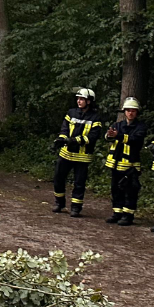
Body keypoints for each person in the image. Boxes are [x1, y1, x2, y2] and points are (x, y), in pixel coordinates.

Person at [51, 87, 103, 217]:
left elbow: (92, 137)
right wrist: (61, 139)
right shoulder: (71, 113)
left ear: (89, 101)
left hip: (82, 156)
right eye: (78, 99)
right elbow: (64, 129)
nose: (79, 101)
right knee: (58, 178)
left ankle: (76, 207)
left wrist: (75, 140)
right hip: (66, 154)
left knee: (79, 183)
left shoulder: (95, 117)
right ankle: (59, 203)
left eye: (82, 99)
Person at [105, 98, 145, 227]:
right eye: (128, 110)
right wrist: (109, 135)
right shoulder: (118, 125)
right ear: (124, 112)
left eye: (133, 111)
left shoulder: (140, 127)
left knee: (130, 191)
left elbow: (135, 140)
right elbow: (108, 137)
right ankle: (117, 213)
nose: (130, 113)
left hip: (131, 166)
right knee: (115, 189)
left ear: (137, 112)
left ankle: (128, 215)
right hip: (116, 164)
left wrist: (118, 136)